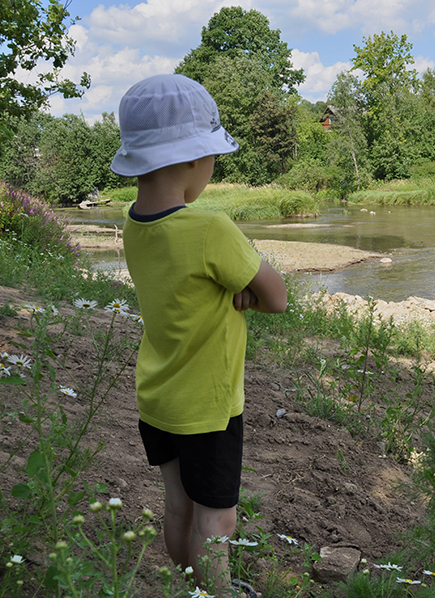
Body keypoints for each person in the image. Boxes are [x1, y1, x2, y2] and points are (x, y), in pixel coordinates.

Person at [111, 73, 287, 598]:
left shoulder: (132, 223)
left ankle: (190, 587)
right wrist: (248, 288)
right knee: (218, 521)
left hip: (159, 397)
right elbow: (276, 297)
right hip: (208, 410)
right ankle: (214, 594)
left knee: (177, 507)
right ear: (192, 159)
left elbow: (184, 287)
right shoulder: (212, 228)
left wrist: (234, 288)